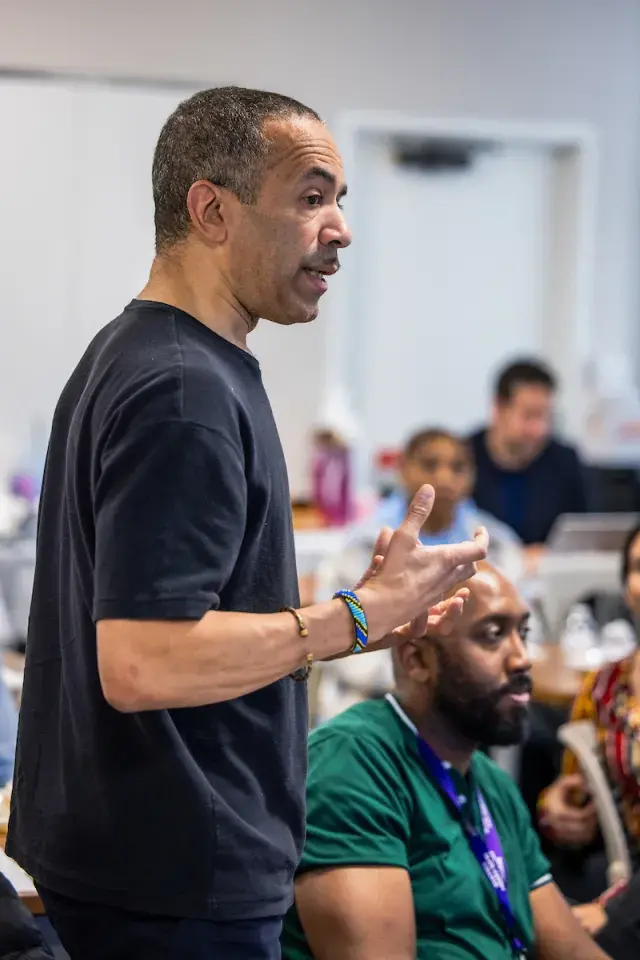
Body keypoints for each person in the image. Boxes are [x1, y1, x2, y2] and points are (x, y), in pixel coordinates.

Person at [6, 87, 488, 960]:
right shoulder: (183, 390)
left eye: (340, 202)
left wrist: (362, 622)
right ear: (211, 210)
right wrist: (352, 617)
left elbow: (190, 618)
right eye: (311, 197)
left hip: (142, 862)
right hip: (173, 880)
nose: (339, 229)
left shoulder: (156, 356)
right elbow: (144, 660)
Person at [281, 562, 610, 960]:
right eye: (492, 636)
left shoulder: (490, 783)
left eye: (522, 633)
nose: (522, 658)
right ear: (416, 660)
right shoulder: (353, 763)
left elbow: (572, 950)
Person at [312, 428, 520, 723]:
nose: (445, 477)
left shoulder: (496, 544)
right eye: (430, 464)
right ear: (403, 469)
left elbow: (521, 622)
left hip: (472, 691)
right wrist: (421, 678)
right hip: (376, 691)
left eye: (458, 467)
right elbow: (335, 629)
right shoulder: (364, 545)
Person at [537, 524, 640, 957]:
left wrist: (616, 912)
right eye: (637, 567)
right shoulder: (606, 684)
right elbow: (576, 790)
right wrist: (557, 809)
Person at [470, 358, 588, 560]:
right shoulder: (464, 458)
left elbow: (583, 535)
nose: (539, 429)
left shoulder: (564, 460)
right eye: (529, 416)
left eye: (546, 416)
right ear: (499, 408)